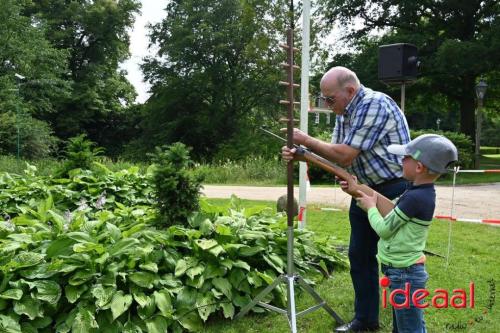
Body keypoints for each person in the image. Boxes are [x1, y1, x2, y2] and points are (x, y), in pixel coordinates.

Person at [282, 66, 411, 332]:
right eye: (324, 100)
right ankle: (365, 321)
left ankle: (405, 327)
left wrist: (306, 139)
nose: (327, 105)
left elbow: (345, 155)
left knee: (396, 262)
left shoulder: (374, 104)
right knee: (360, 255)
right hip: (363, 190)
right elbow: (333, 155)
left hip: (394, 190)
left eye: (330, 99)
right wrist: (301, 153)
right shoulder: (345, 111)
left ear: (350, 91)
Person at [354, 134, 458, 333]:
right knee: (410, 326)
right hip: (404, 273)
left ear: (419, 167)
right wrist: (361, 190)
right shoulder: (419, 192)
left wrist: (370, 208)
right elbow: (395, 214)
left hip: (404, 275)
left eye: (406, 157)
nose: (401, 160)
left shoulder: (415, 197)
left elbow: (384, 230)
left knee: (409, 329)